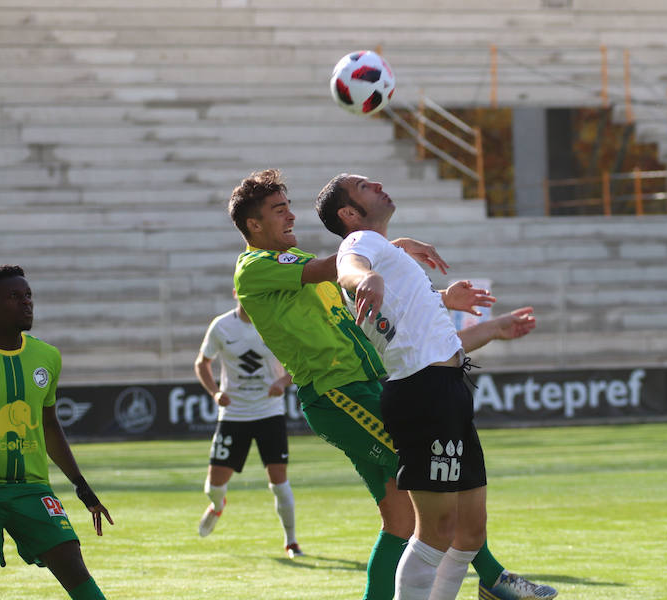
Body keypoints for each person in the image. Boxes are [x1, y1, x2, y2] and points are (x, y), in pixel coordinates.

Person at [229, 169, 557, 600]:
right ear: (254, 225)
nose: (290, 215)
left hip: (367, 387)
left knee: (402, 521)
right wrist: (389, 248)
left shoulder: (299, 268)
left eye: (289, 206)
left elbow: (370, 302)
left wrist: (435, 293)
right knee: (439, 483)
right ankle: (493, 578)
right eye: (278, 210)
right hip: (339, 394)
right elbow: (345, 267)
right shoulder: (259, 267)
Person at [317, 172, 544, 600]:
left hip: (448, 387)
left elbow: (439, 343)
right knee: (435, 531)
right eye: (365, 187)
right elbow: (350, 265)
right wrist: (362, 278)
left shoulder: (389, 257)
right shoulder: (357, 248)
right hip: (423, 396)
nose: (378, 185)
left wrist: (493, 328)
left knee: (470, 533)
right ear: (349, 213)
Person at [0, 265, 113, 600]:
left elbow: (49, 424)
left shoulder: (46, 357)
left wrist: (82, 486)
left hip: (31, 489)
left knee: (73, 563)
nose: (26, 303)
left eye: (28, 295)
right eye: (14, 297)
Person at [194, 291, 301, 558]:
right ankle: (218, 506)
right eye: (245, 293)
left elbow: (299, 361)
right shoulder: (221, 326)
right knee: (213, 487)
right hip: (234, 415)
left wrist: (282, 382)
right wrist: (215, 392)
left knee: (279, 482)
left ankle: (291, 540)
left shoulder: (275, 323)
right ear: (235, 293)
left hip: (269, 412)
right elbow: (202, 363)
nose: (251, 298)